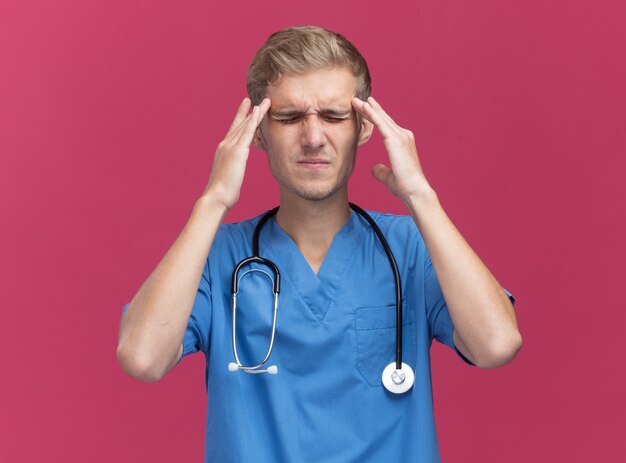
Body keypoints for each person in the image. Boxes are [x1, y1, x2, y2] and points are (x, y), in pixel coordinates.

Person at [117, 26, 521, 462]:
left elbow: (496, 345)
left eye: (333, 116)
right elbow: (143, 358)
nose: (312, 137)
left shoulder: (410, 248)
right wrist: (213, 200)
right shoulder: (219, 257)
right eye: (289, 118)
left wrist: (421, 195)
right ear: (256, 134)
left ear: (364, 128)